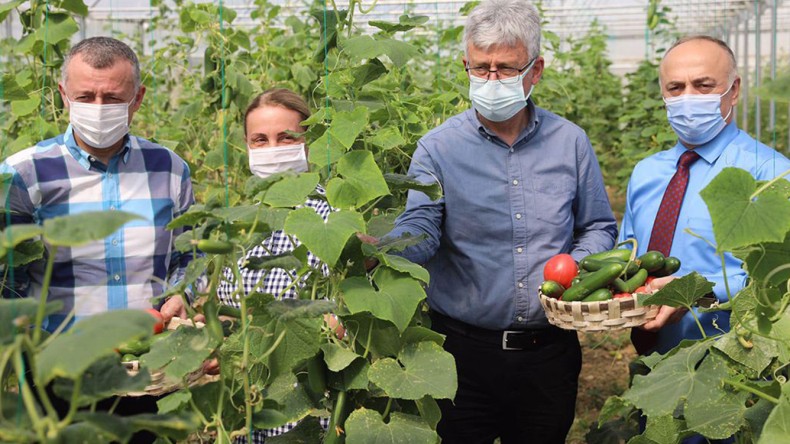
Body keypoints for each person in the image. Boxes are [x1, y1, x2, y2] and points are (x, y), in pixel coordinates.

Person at [382, 0, 618, 442]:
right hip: (460, 353)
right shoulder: (438, 148)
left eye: (506, 69)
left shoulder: (570, 143)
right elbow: (423, 225)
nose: (491, 80)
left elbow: (598, 225)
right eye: (480, 68)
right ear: (465, 64)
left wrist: (574, 271)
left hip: (549, 351)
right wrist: (385, 249)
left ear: (536, 70)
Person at [0, 36, 194, 442]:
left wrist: (184, 293)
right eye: (86, 96)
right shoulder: (24, 174)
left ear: (137, 98)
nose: (99, 109)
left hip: (148, 368)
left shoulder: (170, 170)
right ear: (64, 96)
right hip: (59, 376)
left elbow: (185, 257)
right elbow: (9, 284)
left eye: (113, 97)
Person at [620, 35, 790, 362]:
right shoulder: (646, 173)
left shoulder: (771, 173)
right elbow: (629, 253)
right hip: (652, 362)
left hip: (737, 363)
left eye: (703, 86)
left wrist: (693, 292)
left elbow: (780, 278)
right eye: (675, 88)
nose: (688, 98)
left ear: (734, 90)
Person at [215, 88, 334, 443]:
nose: (273, 149)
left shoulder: (334, 217)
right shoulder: (239, 222)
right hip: (244, 414)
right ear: (247, 147)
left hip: (308, 419)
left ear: (307, 140)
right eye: (260, 140)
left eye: (286, 137)